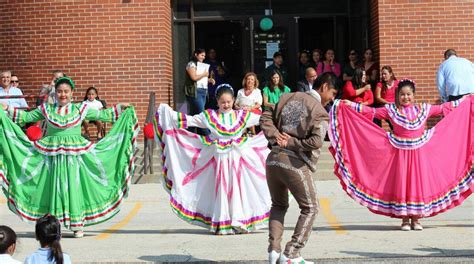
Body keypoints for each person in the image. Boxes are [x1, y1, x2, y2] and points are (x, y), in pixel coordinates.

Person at [0, 77, 138, 238]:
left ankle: (77, 224)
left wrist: (122, 107)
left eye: (66, 91)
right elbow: (25, 117)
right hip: (51, 156)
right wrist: (6, 108)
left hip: (75, 155)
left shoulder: (81, 109)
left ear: (72, 93)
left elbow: (104, 115)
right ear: (55, 93)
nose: (62, 94)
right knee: (51, 188)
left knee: (74, 187)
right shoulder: (46, 109)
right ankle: (52, 226)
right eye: (59, 91)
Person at [329, 79, 473, 231]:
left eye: (409, 94)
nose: (406, 98)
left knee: (418, 184)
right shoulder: (390, 110)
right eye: (402, 95)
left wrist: (467, 100)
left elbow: (444, 107)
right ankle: (405, 219)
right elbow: (371, 112)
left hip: (419, 156)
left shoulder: (423, 109)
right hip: (399, 156)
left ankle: (416, 219)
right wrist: (350, 105)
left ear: (414, 95)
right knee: (402, 184)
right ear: (398, 96)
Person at [154, 84, 271, 235]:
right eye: (223, 102)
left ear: (234, 100)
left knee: (238, 190)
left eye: (228, 101)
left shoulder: (242, 116)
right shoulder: (209, 116)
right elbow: (189, 121)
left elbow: (261, 119)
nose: (226, 105)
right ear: (217, 102)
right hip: (219, 161)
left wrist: (278, 113)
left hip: (237, 161)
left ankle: (239, 220)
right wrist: (168, 114)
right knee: (221, 191)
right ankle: (222, 221)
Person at [261, 72, 340, 264]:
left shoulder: (287, 96)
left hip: (273, 160)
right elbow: (316, 141)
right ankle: (291, 253)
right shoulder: (320, 111)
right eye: (333, 93)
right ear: (324, 87)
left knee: (278, 205)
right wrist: (293, 142)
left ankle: (274, 252)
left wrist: (275, 136)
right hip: (294, 163)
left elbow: (264, 116)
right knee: (311, 208)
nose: (333, 98)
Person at [184, 48, 215, 135]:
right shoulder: (191, 64)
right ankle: (209, 136)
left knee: (194, 116)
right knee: (202, 114)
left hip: (203, 92)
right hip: (195, 92)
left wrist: (209, 80)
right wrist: (204, 74)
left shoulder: (201, 65)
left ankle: (188, 135)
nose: (203, 57)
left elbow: (200, 79)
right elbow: (194, 77)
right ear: (196, 55)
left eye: (204, 56)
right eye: (201, 55)